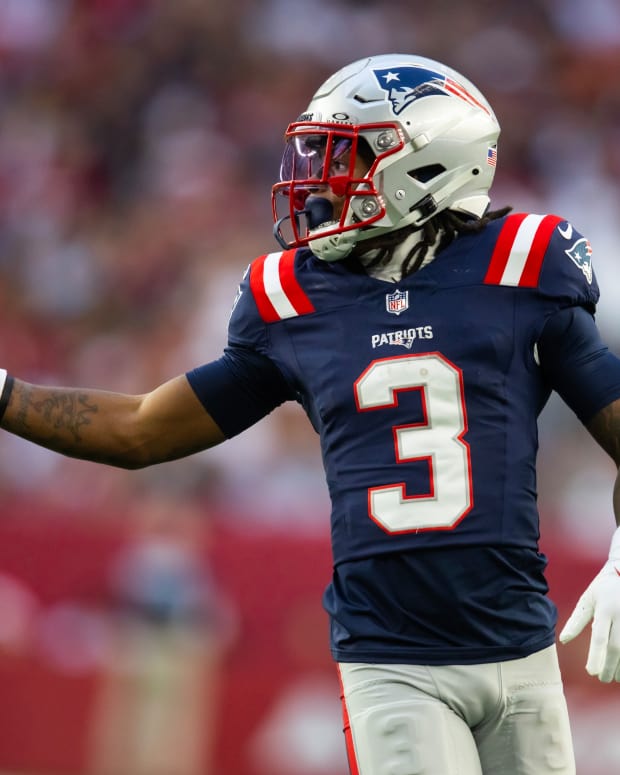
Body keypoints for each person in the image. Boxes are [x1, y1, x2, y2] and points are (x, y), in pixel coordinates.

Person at [1, 53, 620, 774]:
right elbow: (141, 428)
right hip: (393, 661)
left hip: (522, 647)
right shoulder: (294, 298)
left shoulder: (522, 265)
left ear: (425, 166)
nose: (321, 181)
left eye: (347, 156)